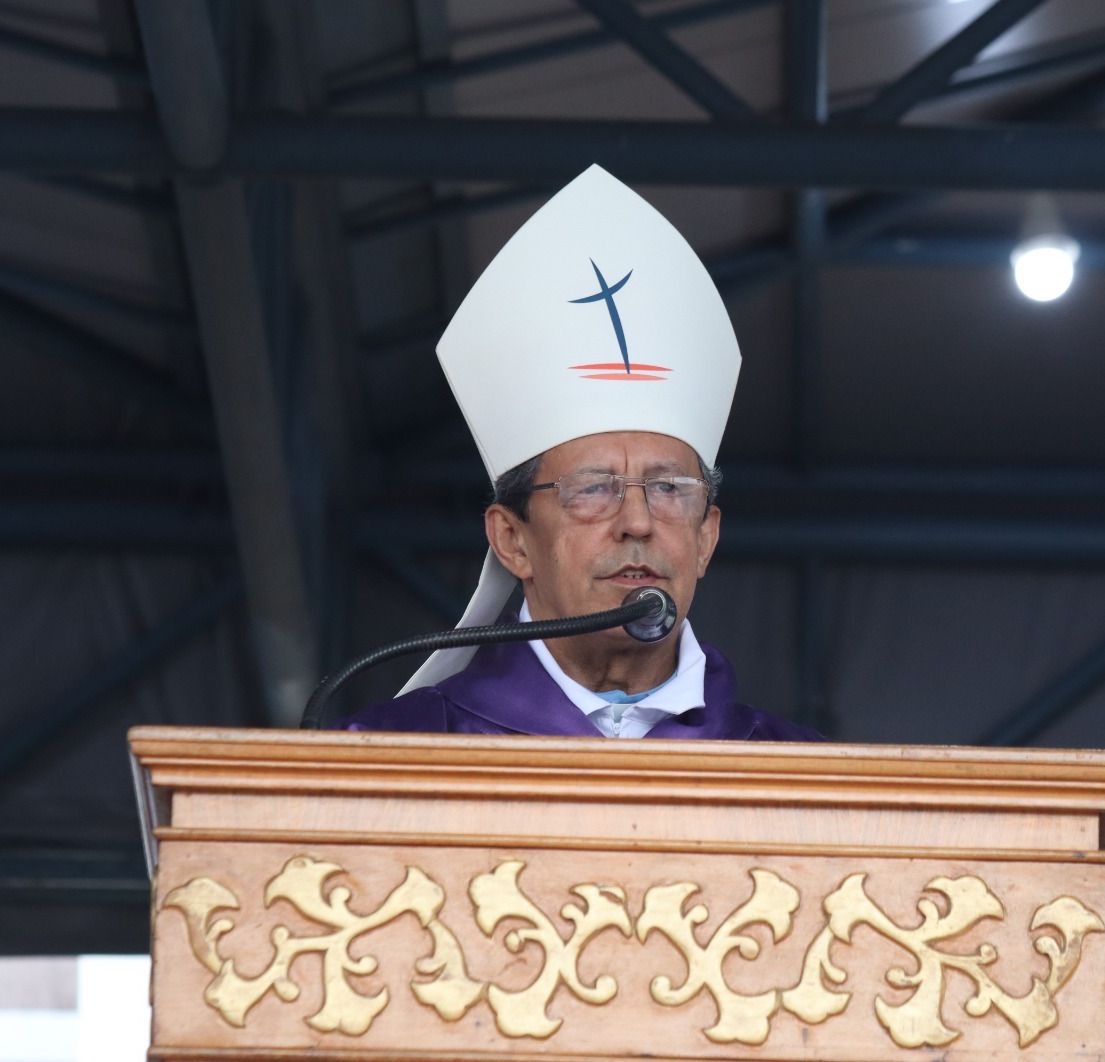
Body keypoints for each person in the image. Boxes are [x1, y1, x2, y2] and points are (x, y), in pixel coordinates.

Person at [339, 165, 819, 742]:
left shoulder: (799, 770)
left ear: (706, 539)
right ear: (512, 541)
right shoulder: (391, 755)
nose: (638, 521)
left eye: (669, 489)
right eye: (594, 489)